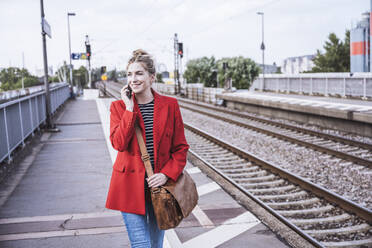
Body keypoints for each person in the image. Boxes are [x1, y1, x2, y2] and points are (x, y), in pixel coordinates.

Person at [105, 49, 189, 248]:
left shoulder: (170, 105)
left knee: (155, 245)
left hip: (159, 188)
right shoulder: (119, 107)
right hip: (128, 187)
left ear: (152, 77)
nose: (133, 79)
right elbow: (119, 144)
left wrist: (166, 174)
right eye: (129, 74)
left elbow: (180, 148)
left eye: (139, 73)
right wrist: (129, 109)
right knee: (141, 245)